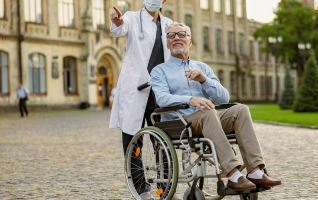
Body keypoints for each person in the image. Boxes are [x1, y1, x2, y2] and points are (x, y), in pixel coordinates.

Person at [150, 22, 282, 191]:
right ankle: (233, 175)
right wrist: (190, 99)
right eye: (171, 35)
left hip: (208, 119)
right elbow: (161, 98)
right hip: (180, 123)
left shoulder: (202, 67)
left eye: (182, 34)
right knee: (209, 113)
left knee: (240, 109)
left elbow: (224, 97)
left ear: (190, 41)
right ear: (167, 43)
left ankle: (255, 171)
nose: (176, 38)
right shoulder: (159, 71)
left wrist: (204, 80)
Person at [108, 0, 180, 199]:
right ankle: (141, 189)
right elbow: (120, 28)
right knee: (133, 140)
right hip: (135, 89)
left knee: (163, 142)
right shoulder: (132, 17)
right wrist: (117, 21)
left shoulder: (168, 24)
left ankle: (166, 188)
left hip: (159, 91)